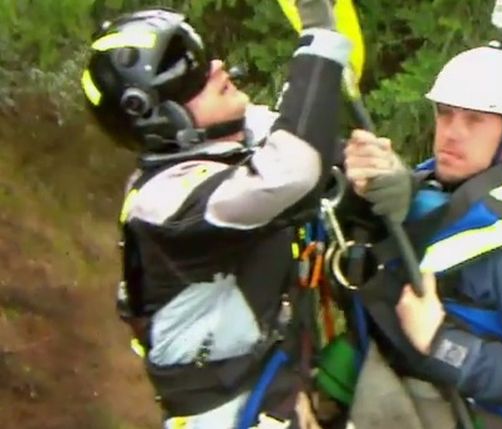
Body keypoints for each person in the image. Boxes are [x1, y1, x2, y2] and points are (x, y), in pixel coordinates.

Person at [80, 3, 352, 428]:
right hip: (225, 409)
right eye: (191, 77)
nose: (217, 69)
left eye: (203, 58)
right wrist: (320, 37)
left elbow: (304, 139)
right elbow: (292, 170)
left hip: (274, 376)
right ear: (159, 119)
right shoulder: (166, 199)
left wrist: (373, 171)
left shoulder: (226, 140)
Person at [342, 45, 502, 429]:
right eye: (445, 114)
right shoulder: (448, 183)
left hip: (487, 415)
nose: (451, 134)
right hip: (426, 378)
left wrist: (437, 341)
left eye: (475, 120)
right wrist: (371, 193)